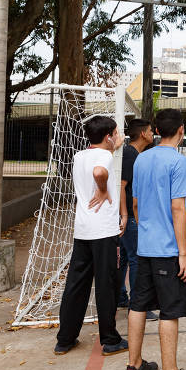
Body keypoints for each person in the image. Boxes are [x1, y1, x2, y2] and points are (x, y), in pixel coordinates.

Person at [125, 109, 186, 370]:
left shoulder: (141, 158)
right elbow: (177, 208)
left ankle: (133, 366)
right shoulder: (178, 161)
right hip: (166, 249)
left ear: (157, 130)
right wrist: (183, 253)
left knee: (138, 305)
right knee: (169, 310)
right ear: (181, 130)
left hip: (144, 245)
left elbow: (135, 203)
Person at [54, 115, 128, 357]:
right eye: (116, 133)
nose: (118, 136)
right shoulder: (104, 157)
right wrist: (104, 188)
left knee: (76, 285)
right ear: (108, 137)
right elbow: (99, 171)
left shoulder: (79, 155)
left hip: (83, 229)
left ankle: (65, 339)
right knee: (107, 284)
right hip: (103, 231)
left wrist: (114, 147)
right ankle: (110, 340)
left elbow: (96, 162)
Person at [118, 118, 158, 322]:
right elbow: (121, 186)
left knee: (125, 258)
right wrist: (125, 216)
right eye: (151, 131)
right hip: (130, 217)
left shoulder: (135, 154)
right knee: (136, 260)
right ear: (143, 133)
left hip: (129, 216)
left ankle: (120, 297)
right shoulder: (130, 154)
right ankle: (137, 305)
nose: (153, 134)